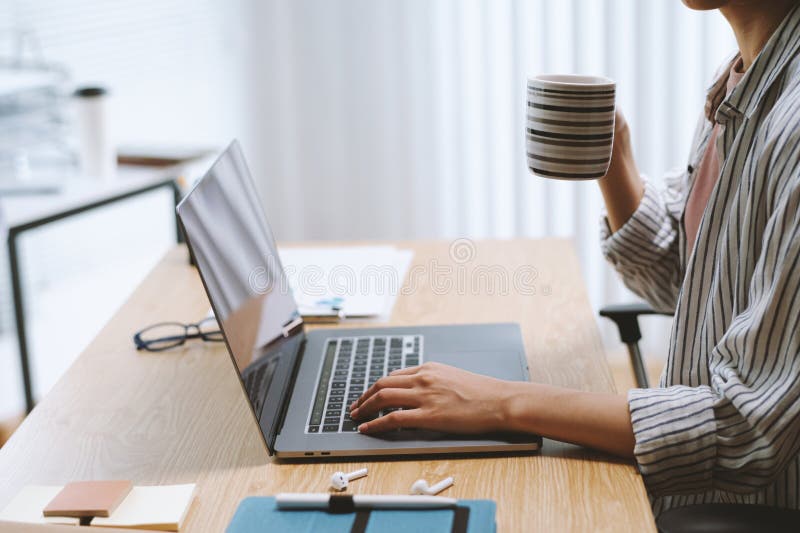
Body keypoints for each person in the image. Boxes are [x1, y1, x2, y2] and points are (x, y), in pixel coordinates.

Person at [351, 0, 800, 515]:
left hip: (740, 508)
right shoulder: (745, 77)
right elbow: (692, 279)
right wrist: (613, 161)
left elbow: (747, 430)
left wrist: (504, 402)